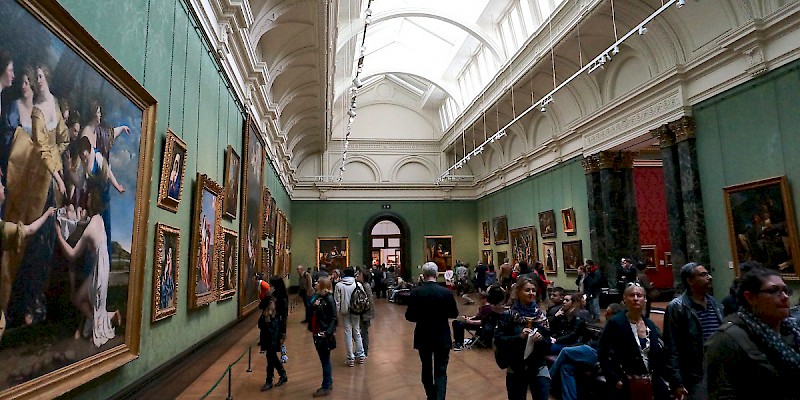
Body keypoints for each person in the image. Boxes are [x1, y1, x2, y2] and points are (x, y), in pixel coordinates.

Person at [705, 268, 799, 399]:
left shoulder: (792, 331)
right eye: (773, 291)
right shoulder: (727, 338)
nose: (784, 297)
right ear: (750, 298)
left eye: (785, 290)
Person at [56, 213, 123, 348]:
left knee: (77, 299)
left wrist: (58, 234)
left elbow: (72, 255)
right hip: (102, 269)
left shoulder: (88, 231)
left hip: (97, 272)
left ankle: (104, 319)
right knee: (93, 303)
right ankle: (108, 317)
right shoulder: (99, 219)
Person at [597, 282, 673, 400]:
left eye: (639, 295)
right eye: (632, 295)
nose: (636, 299)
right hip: (626, 382)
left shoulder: (651, 325)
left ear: (645, 300)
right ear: (625, 299)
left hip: (651, 382)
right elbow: (603, 351)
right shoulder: (615, 323)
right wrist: (615, 378)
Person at [662, 262, 722, 400]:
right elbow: (672, 346)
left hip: (717, 369)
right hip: (695, 374)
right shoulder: (677, 307)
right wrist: (676, 382)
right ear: (690, 281)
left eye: (708, 273)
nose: (710, 277)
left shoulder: (715, 304)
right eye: (703, 275)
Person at [549, 303, 627, 400]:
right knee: (567, 367)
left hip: (596, 354)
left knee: (565, 351)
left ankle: (548, 381)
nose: (605, 314)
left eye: (608, 312)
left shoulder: (617, 327)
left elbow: (604, 348)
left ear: (614, 314)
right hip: (591, 350)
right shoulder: (610, 325)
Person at [405, 262, 459, 400]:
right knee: (441, 371)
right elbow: (454, 314)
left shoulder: (416, 292)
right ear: (436, 274)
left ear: (423, 275)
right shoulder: (446, 292)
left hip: (423, 335)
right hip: (442, 336)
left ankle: (431, 395)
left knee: (426, 368)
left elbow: (409, 316)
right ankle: (440, 398)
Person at [494, 278, 551, 400]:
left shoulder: (541, 317)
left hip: (538, 366)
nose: (531, 293)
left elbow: (548, 345)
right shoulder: (508, 316)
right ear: (518, 292)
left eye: (533, 290)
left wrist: (541, 339)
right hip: (516, 367)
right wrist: (519, 337)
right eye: (527, 290)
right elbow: (499, 340)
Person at [308, 277, 337, 397]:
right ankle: (328, 381)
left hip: (323, 333)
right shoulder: (319, 297)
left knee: (325, 360)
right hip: (317, 331)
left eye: (318, 282)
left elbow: (334, 318)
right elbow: (312, 310)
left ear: (324, 285)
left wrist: (327, 332)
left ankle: (326, 386)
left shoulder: (329, 298)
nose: (316, 283)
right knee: (324, 359)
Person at [452, 285, 504, 351]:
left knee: (459, 324)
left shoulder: (489, 308)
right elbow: (478, 316)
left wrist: (469, 321)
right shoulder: (484, 307)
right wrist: (469, 318)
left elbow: (483, 320)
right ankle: (458, 341)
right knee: (456, 322)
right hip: (478, 322)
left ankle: (459, 342)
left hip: (479, 325)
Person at [258, 283, 288, 391]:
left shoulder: (281, 300)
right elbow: (261, 306)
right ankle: (282, 374)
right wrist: (267, 296)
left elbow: (284, 318)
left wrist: (282, 333)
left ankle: (269, 380)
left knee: (270, 355)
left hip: (274, 329)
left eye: (272, 286)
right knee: (271, 355)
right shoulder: (269, 297)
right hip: (266, 328)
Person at [333, 267, 366, 366]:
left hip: (345, 311)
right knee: (357, 331)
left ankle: (350, 357)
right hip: (356, 310)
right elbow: (363, 298)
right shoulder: (358, 284)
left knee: (348, 332)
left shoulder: (339, 285)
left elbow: (337, 302)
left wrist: (336, 316)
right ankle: (361, 355)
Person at [356, 267, 375, 357]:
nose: (357, 275)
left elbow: (369, 301)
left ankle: (364, 351)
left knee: (363, 333)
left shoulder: (365, 286)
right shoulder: (363, 285)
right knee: (361, 332)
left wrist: (367, 314)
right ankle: (361, 350)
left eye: (359, 274)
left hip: (365, 314)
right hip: (364, 313)